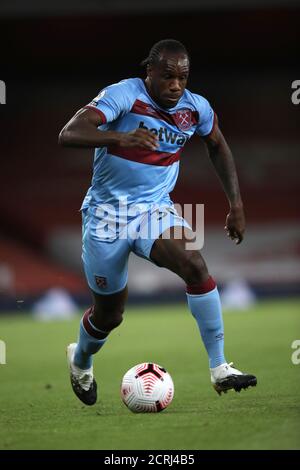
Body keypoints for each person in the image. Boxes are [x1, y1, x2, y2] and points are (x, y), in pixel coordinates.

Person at [59, 39, 257, 406]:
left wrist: (236, 204)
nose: (175, 85)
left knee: (194, 265)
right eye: (167, 76)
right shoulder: (124, 94)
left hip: (153, 209)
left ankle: (220, 368)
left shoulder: (196, 108)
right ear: (149, 72)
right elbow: (68, 133)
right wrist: (120, 136)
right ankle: (81, 359)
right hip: (105, 216)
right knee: (109, 314)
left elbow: (217, 145)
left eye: (182, 78)